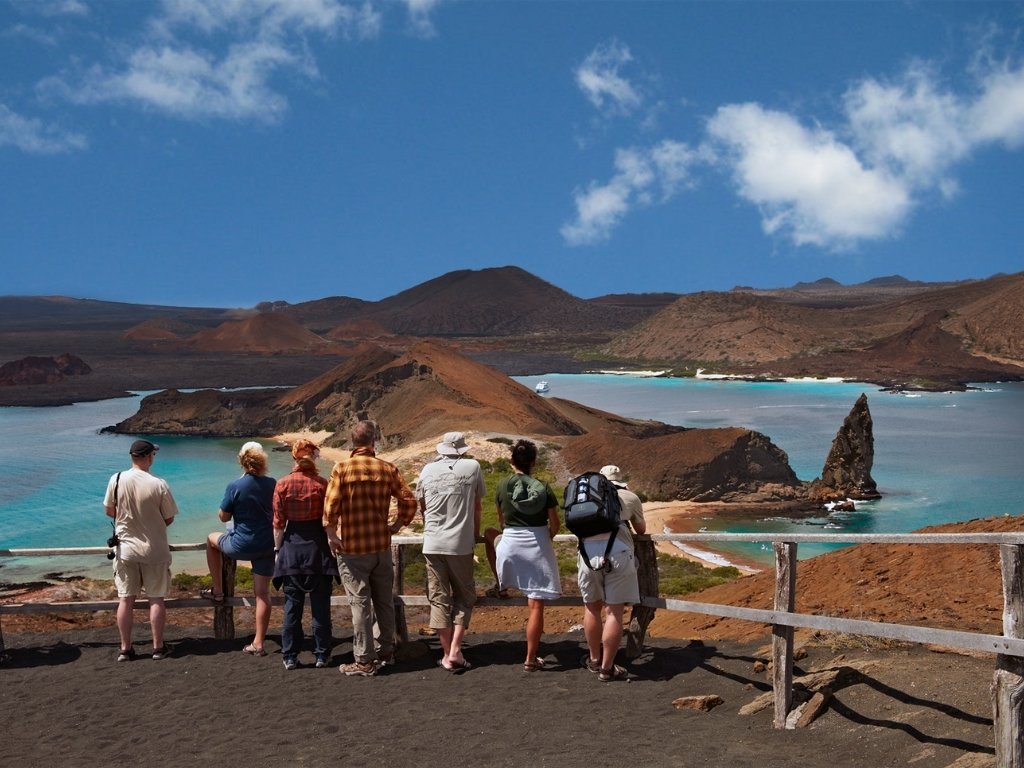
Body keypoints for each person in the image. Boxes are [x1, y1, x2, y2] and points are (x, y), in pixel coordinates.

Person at [324, 420, 417, 677]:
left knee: (360, 604)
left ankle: (365, 660)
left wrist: (331, 533)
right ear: (373, 442)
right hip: (381, 547)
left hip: (353, 549)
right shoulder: (388, 469)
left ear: (352, 442)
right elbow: (409, 501)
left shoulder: (341, 468)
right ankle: (386, 652)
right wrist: (396, 526)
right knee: (384, 601)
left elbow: (330, 506)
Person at [103, 439, 178, 662]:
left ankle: (125, 648)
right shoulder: (159, 484)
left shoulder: (116, 480)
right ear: (148, 457)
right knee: (156, 599)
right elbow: (169, 517)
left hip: (125, 549)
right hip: (154, 548)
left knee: (125, 599)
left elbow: (110, 511)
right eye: (152, 455)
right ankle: (158, 647)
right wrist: (152, 525)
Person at [489, 438, 561, 672]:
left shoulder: (501, 485)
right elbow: (556, 524)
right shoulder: (543, 486)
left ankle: (500, 584)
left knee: (490, 535)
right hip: (538, 543)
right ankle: (530, 659)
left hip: (510, 543)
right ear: (533, 461)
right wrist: (545, 537)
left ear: (512, 460)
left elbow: (502, 521)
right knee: (536, 606)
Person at [416, 431, 485, 672]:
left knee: (438, 599)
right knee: (465, 596)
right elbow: (477, 507)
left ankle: (447, 654)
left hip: (432, 543)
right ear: (462, 450)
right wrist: (474, 535)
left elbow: (423, 508)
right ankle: (455, 650)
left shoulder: (426, 470)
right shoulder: (473, 467)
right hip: (460, 544)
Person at [201, 441, 276, 656]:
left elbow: (224, 516)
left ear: (242, 461)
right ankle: (259, 642)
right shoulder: (272, 483)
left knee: (210, 539)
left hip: (241, 545)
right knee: (262, 594)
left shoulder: (235, 486)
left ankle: (217, 590)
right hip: (266, 545)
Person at [272, 439, 339, 670]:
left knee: (292, 607)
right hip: (318, 549)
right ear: (314, 458)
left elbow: (278, 524)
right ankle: (322, 654)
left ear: (294, 457)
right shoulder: (323, 484)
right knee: (321, 607)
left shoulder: (282, 484)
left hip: (292, 549)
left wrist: (277, 550)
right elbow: (330, 519)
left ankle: (290, 655)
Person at [578, 464, 646, 682]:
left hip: (588, 553)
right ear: (620, 480)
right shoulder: (630, 496)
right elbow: (641, 530)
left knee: (591, 608)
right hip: (618, 551)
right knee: (614, 613)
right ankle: (607, 669)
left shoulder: (587, 496)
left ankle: (594, 659)